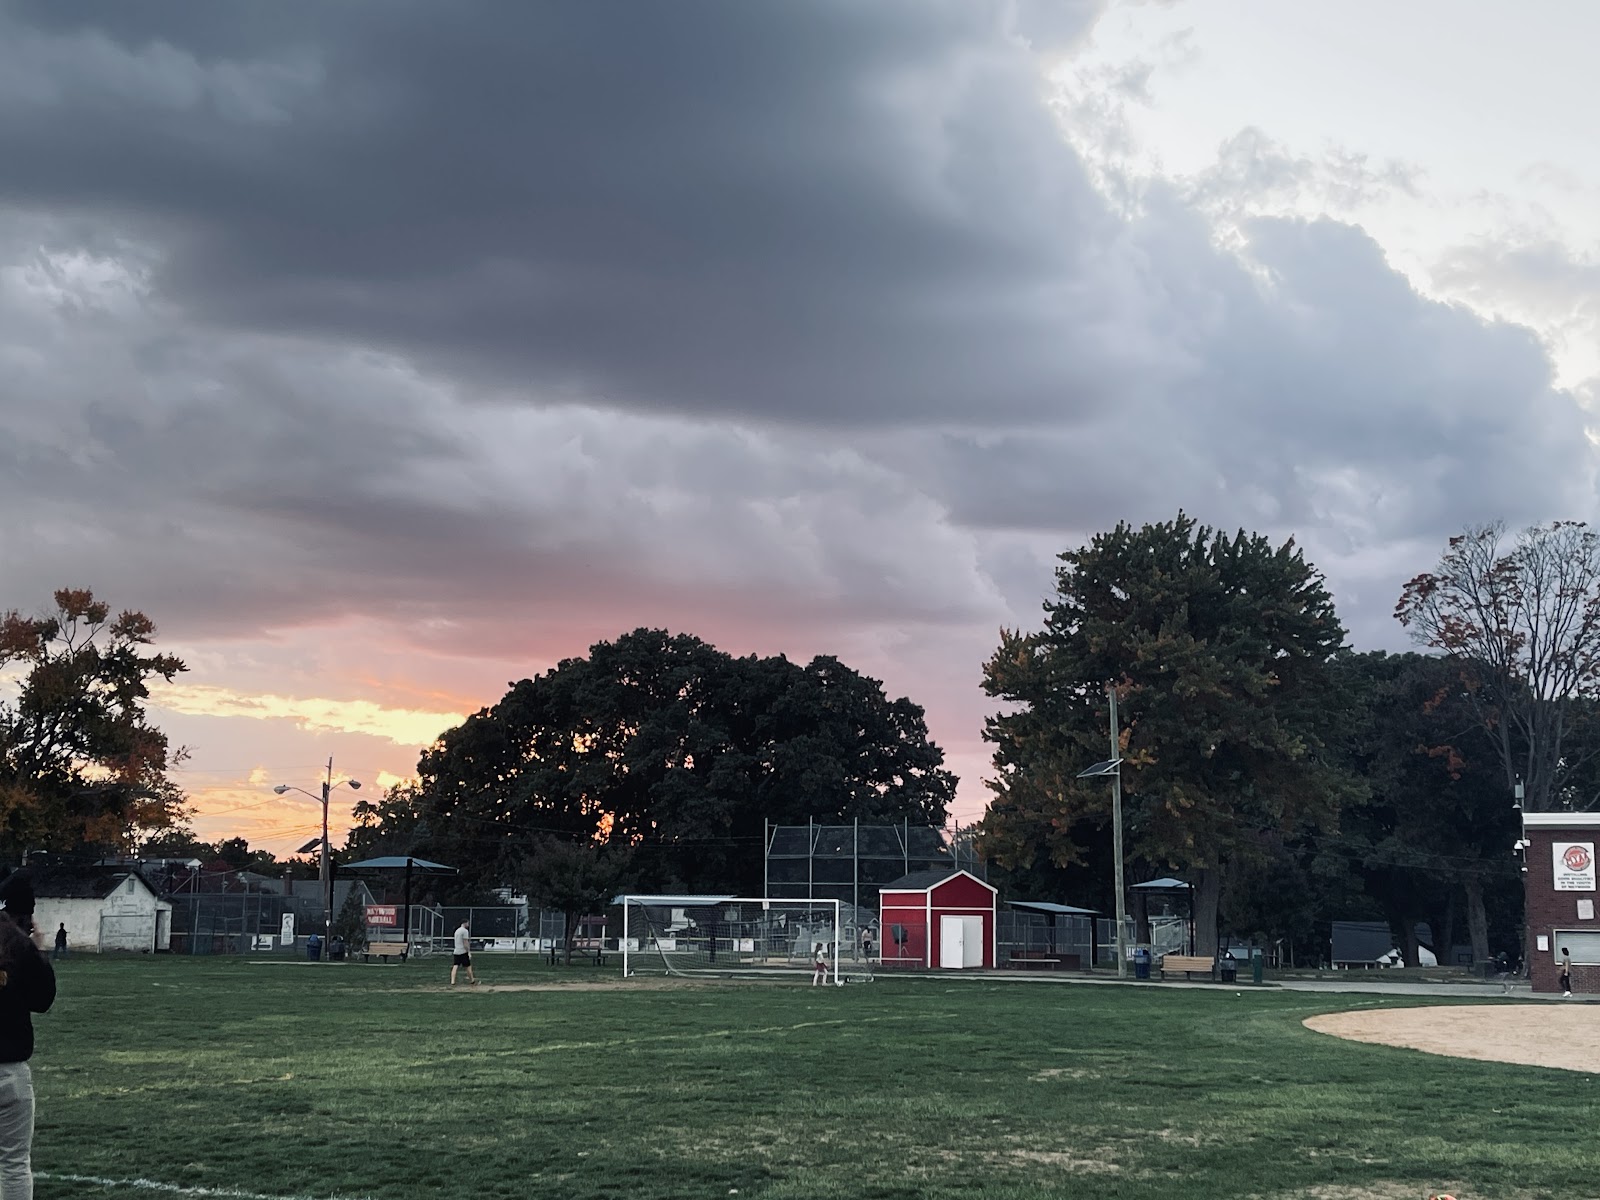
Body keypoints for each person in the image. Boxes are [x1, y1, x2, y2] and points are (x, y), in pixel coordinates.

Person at [0, 871, 58, 1200]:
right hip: (10, 1071)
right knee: (14, 1163)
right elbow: (43, 1000)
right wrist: (40, 953)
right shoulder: (23, 948)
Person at [450, 919, 478, 986]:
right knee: (468, 967)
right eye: (467, 923)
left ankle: (452, 981)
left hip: (456, 950)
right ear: (464, 923)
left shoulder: (457, 931)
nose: (468, 925)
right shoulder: (465, 931)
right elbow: (465, 942)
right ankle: (472, 980)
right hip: (463, 951)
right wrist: (468, 952)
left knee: (455, 966)